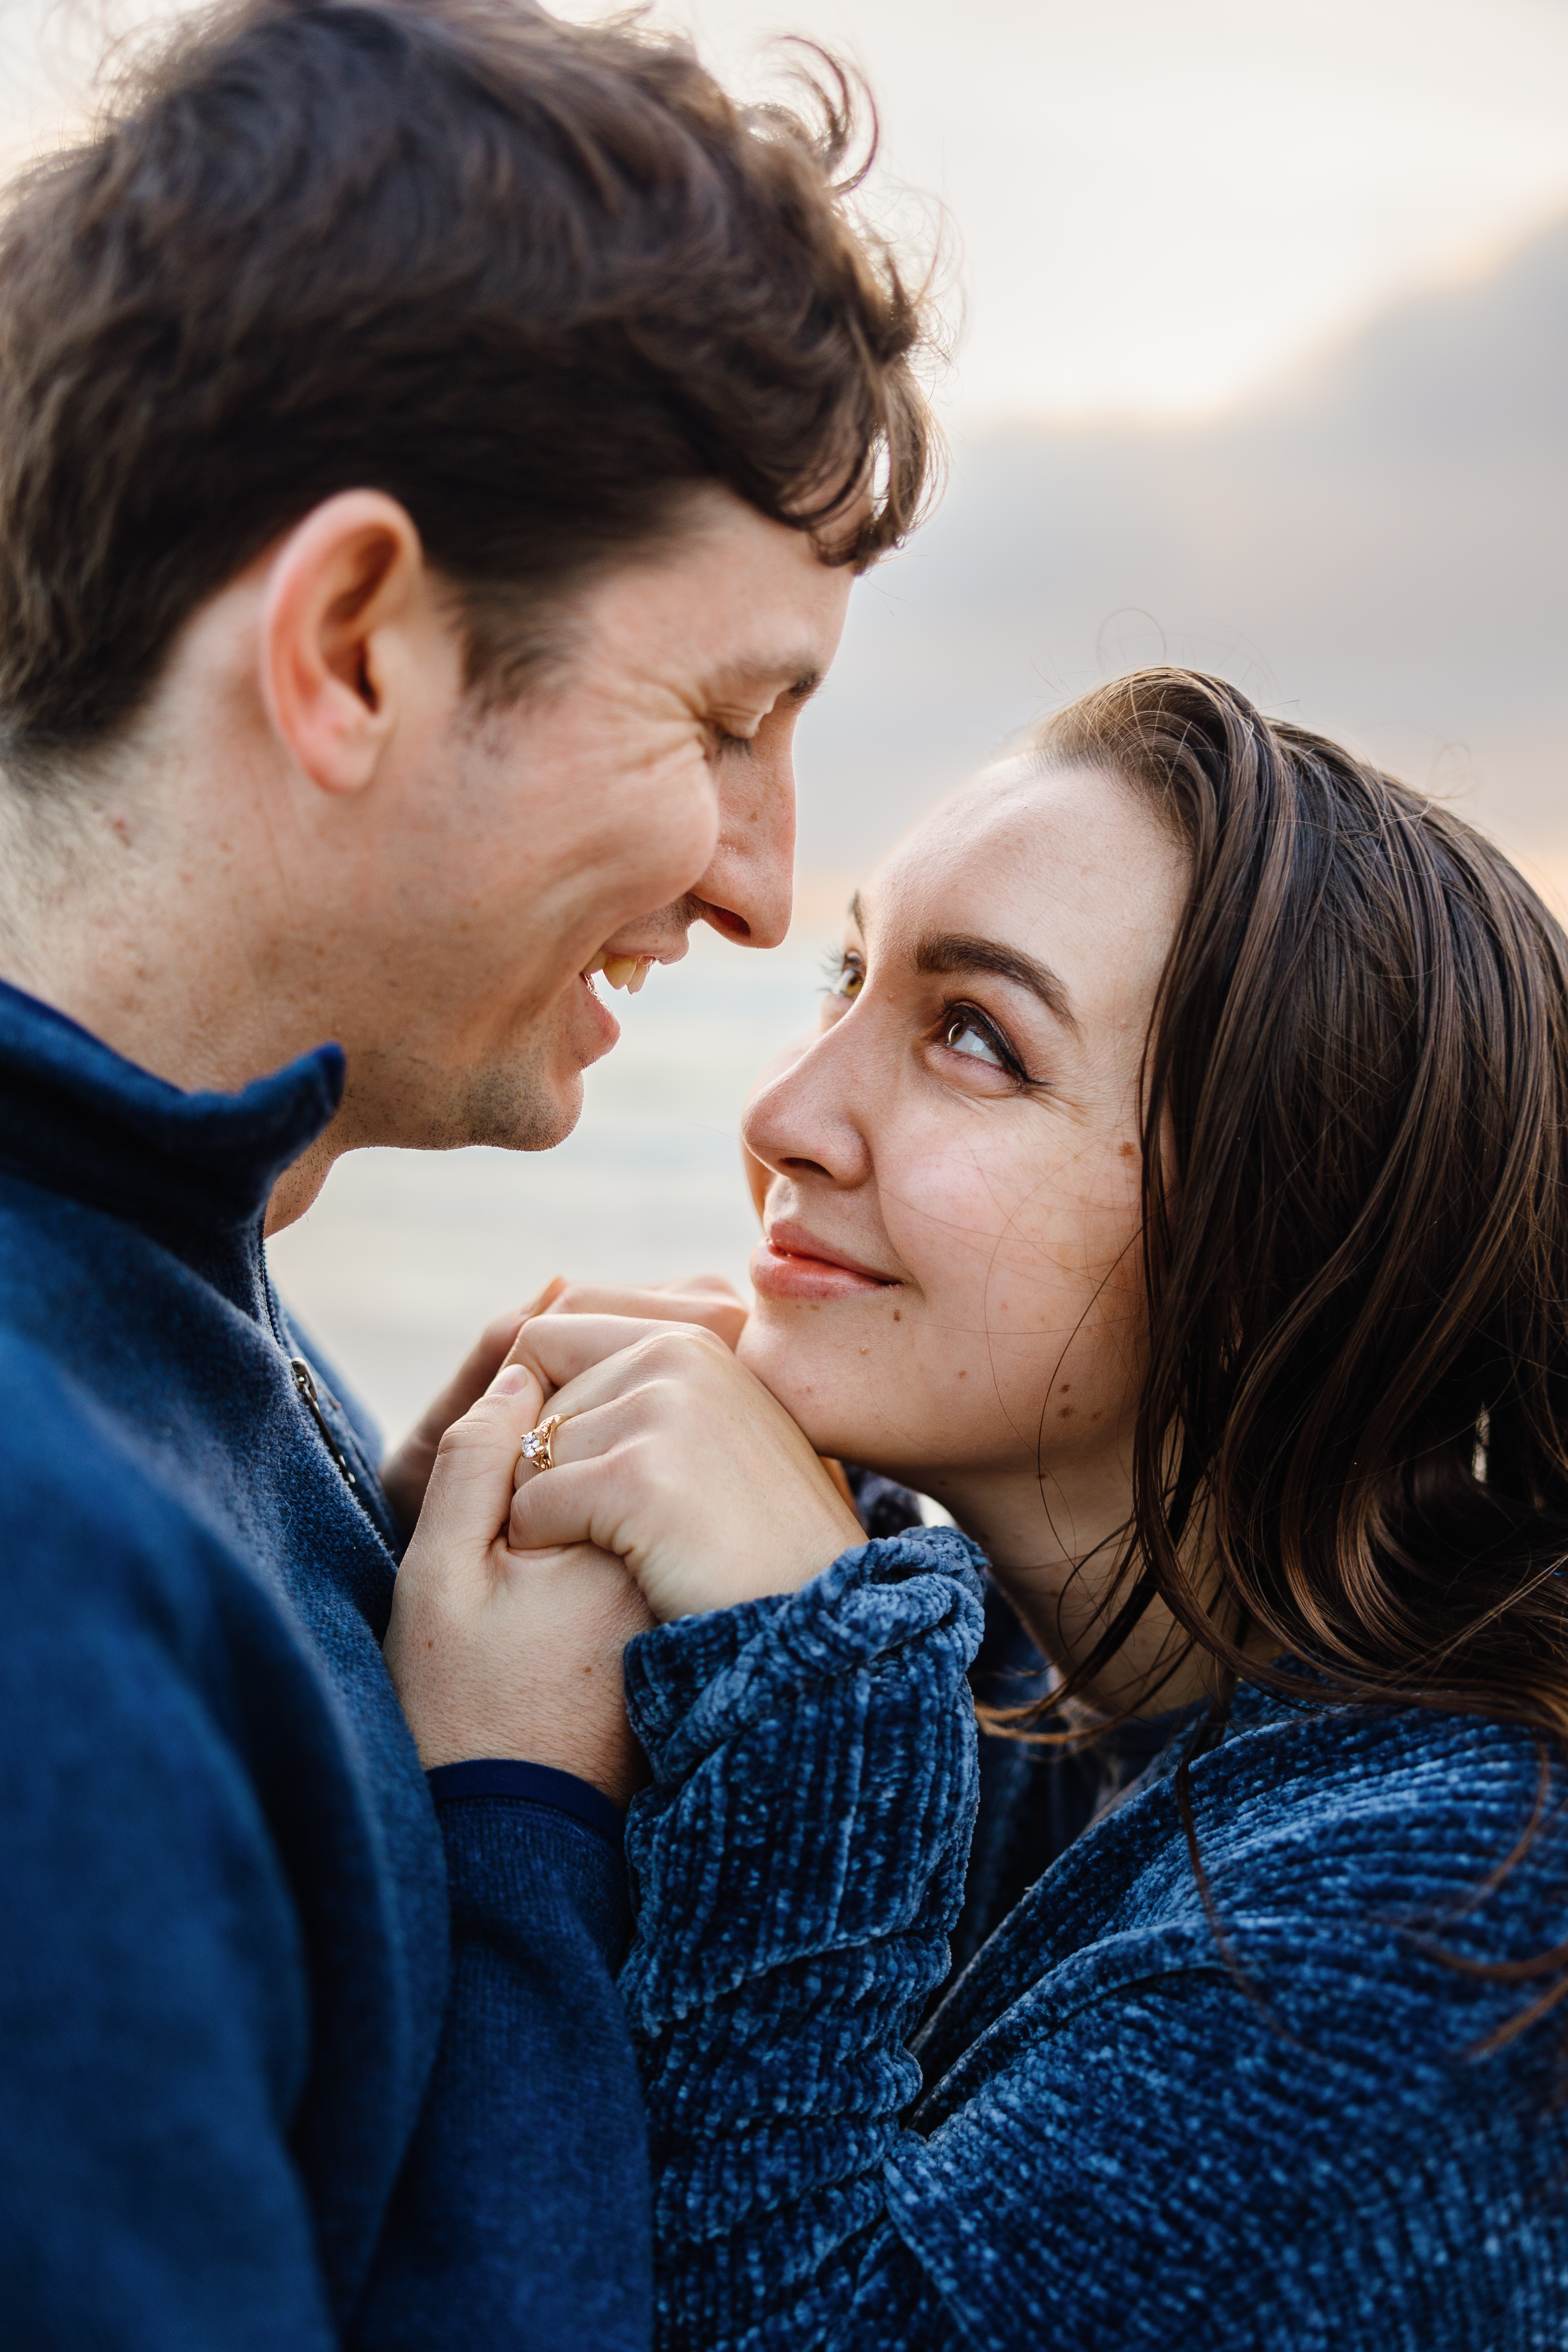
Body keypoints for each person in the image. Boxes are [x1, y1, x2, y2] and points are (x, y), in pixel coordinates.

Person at [0, 1, 937, 2344]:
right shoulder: (40, 1580)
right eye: (724, 721)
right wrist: (524, 1835)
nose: (757, 880)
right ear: (347, 647)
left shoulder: (176, 1304)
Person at [424, 669, 1568, 2347]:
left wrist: (807, 1694)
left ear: (1280, 1256)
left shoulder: (1437, 1939)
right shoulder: (1050, 1703)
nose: (783, 1118)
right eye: (850, 980)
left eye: (974, 1038)